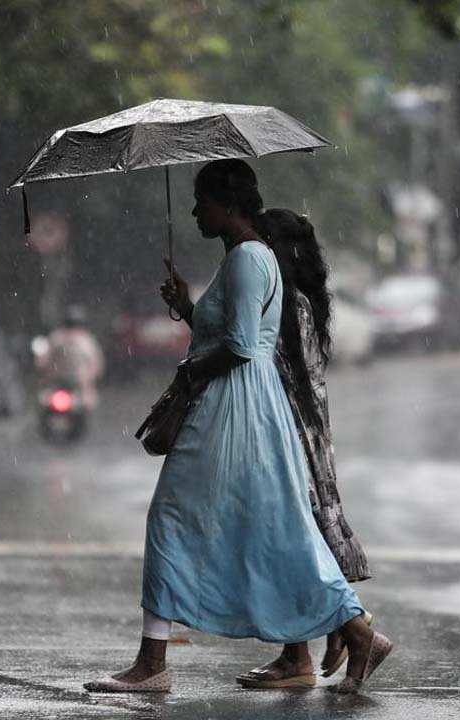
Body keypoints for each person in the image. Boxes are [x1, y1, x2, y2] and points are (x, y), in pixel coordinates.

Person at [84, 160, 392, 695]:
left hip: (233, 409)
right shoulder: (249, 258)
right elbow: (227, 332)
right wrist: (187, 306)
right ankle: (357, 630)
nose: (195, 211)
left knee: (173, 518)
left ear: (228, 203)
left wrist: (189, 372)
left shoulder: (249, 259)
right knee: (275, 529)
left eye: (202, 200)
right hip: (244, 406)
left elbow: (243, 347)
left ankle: (151, 665)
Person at [235, 208, 373, 689]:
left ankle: (339, 634)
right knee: (295, 539)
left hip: (287, 435)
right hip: (305, 434)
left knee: (291, 539)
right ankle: (317, 641)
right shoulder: (307, 301)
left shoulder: (286, 302)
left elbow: (251, 355)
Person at [37, 305, 105, 408]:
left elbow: (42, 362)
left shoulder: (56, 338)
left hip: (65, 386)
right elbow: (97, 366)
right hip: (69, 387)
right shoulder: (87, 340)